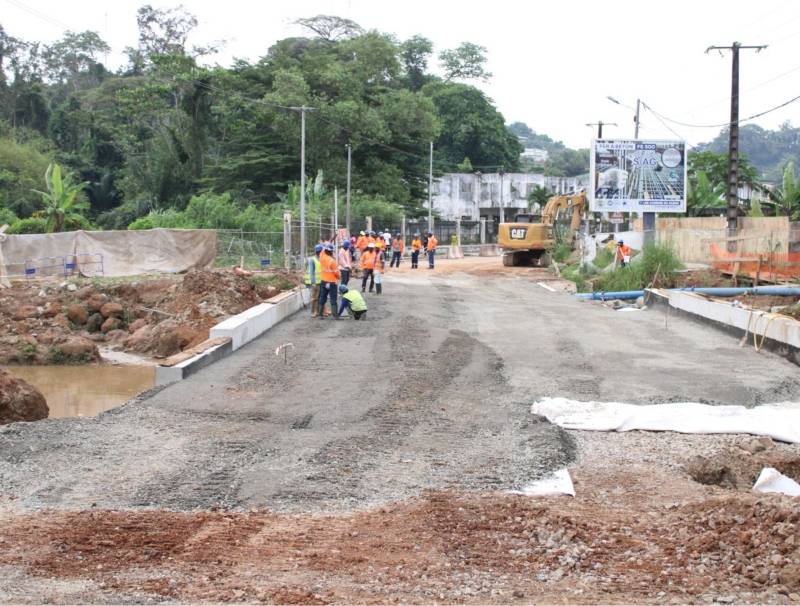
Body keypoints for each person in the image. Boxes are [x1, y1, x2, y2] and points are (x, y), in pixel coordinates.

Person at [318, 243, 341, 318]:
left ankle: (320, 314)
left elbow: (322, 251)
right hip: (332, 282)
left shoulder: (321, 257)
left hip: (323, 281)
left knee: (322, 297)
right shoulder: (332, 261)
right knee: (333, 298)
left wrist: (326, 245)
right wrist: (339, 277)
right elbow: (337, 273)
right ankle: (335, 315)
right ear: (331, 251)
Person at [304, 244, 323, 317]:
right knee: (314, 298)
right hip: (315, 283)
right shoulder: (312, 260)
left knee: (319, 298)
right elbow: (311, 272)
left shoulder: (321, 259)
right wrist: (313, 282)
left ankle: (318, 311)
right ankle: (313, 312)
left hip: (321, 282)